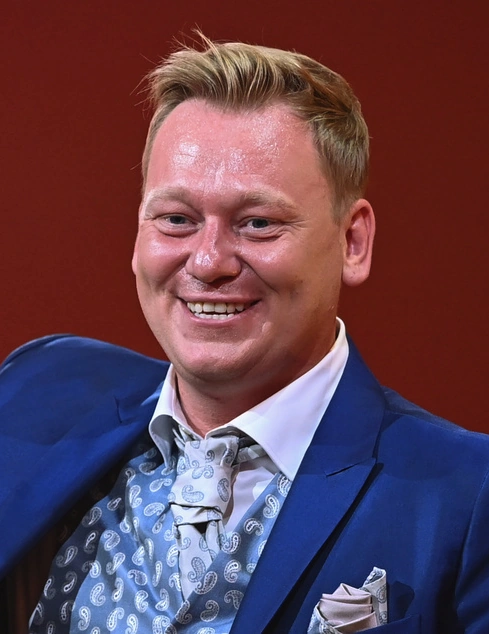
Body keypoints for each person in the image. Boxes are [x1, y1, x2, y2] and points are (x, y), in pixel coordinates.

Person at [1, 36, 489, 634]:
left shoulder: (468, 495)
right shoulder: (41, 389)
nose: (208, 262)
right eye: (176, 219)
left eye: (258, 223)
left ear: (352, 242)